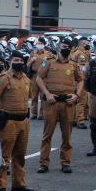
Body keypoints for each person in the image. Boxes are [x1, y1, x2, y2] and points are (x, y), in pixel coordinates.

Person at [0, 50, 34, 191]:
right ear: (10, 62)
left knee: (20, 155)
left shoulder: (26, 79)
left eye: (21, 61)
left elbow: (29, 98)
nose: (18, 63)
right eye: (15, 60)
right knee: (4, 155)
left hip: (23, 121)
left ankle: (19, 184)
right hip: (8, 121)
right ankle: (0, 186)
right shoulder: (3, 78)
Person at [35, 38, 80, 174]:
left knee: (67, 136)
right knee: (47, 135)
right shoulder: (49, 61)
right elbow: (39, 78)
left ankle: (65, 163)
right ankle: (44, 163)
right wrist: (47, 93)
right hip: (52, 102)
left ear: (71, 49)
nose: (65, 48)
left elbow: (81, 80)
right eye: (63, 46)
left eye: (68, 47)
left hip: (67, 103)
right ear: (59, 47)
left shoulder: (73, 64)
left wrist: (76, 95)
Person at [27, 37, 54, 119]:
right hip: (35, 75)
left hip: (44, 76)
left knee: (43, 95)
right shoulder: (33, 53)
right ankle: (34, 113)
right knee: (34, 95)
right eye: (38, 43)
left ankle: (42, 113)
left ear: (44, 45)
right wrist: (31, 61)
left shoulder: (48, 53)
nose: (40, 45)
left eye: (41, 43)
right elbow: (27, 65)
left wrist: (47, 60)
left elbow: (54, 61)